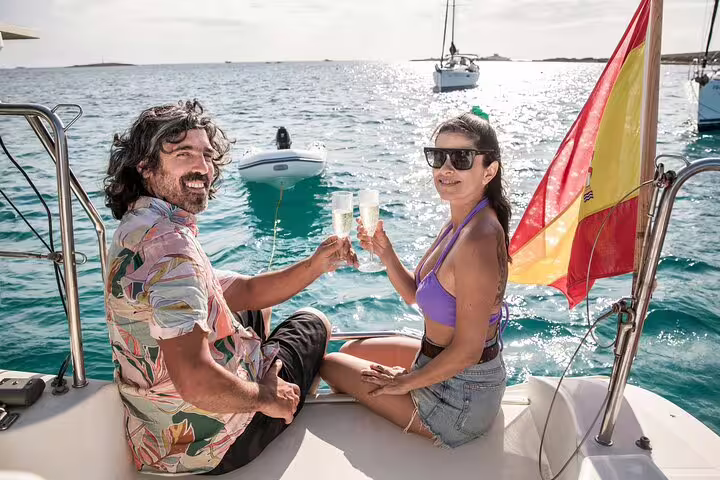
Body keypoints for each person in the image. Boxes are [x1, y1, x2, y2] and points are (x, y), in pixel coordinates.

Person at [103, 100, 357, 475]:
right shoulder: (171, 248)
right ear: (145, 166)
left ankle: (261, 366)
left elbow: (245, 291)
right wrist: (265, 397)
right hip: (214, 445)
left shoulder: (139, 224)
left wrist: (316, 263)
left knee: (255, 309)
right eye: (183, 154)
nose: (202, 167)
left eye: (206, 155)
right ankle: (281, 398)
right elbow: (194, 379)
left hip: (156, 436)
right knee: (313, 322)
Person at [321, 112, 511, 448]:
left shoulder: (478, 239)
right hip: (437, 360)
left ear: (489, 170)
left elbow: (467, 350)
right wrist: (386, 253)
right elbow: (415, 294)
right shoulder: (460, 219)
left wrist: (406, 382)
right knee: (353, 348)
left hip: (461, 399)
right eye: (438, 157)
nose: (445, 169)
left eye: (462, 158)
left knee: (332, 364)